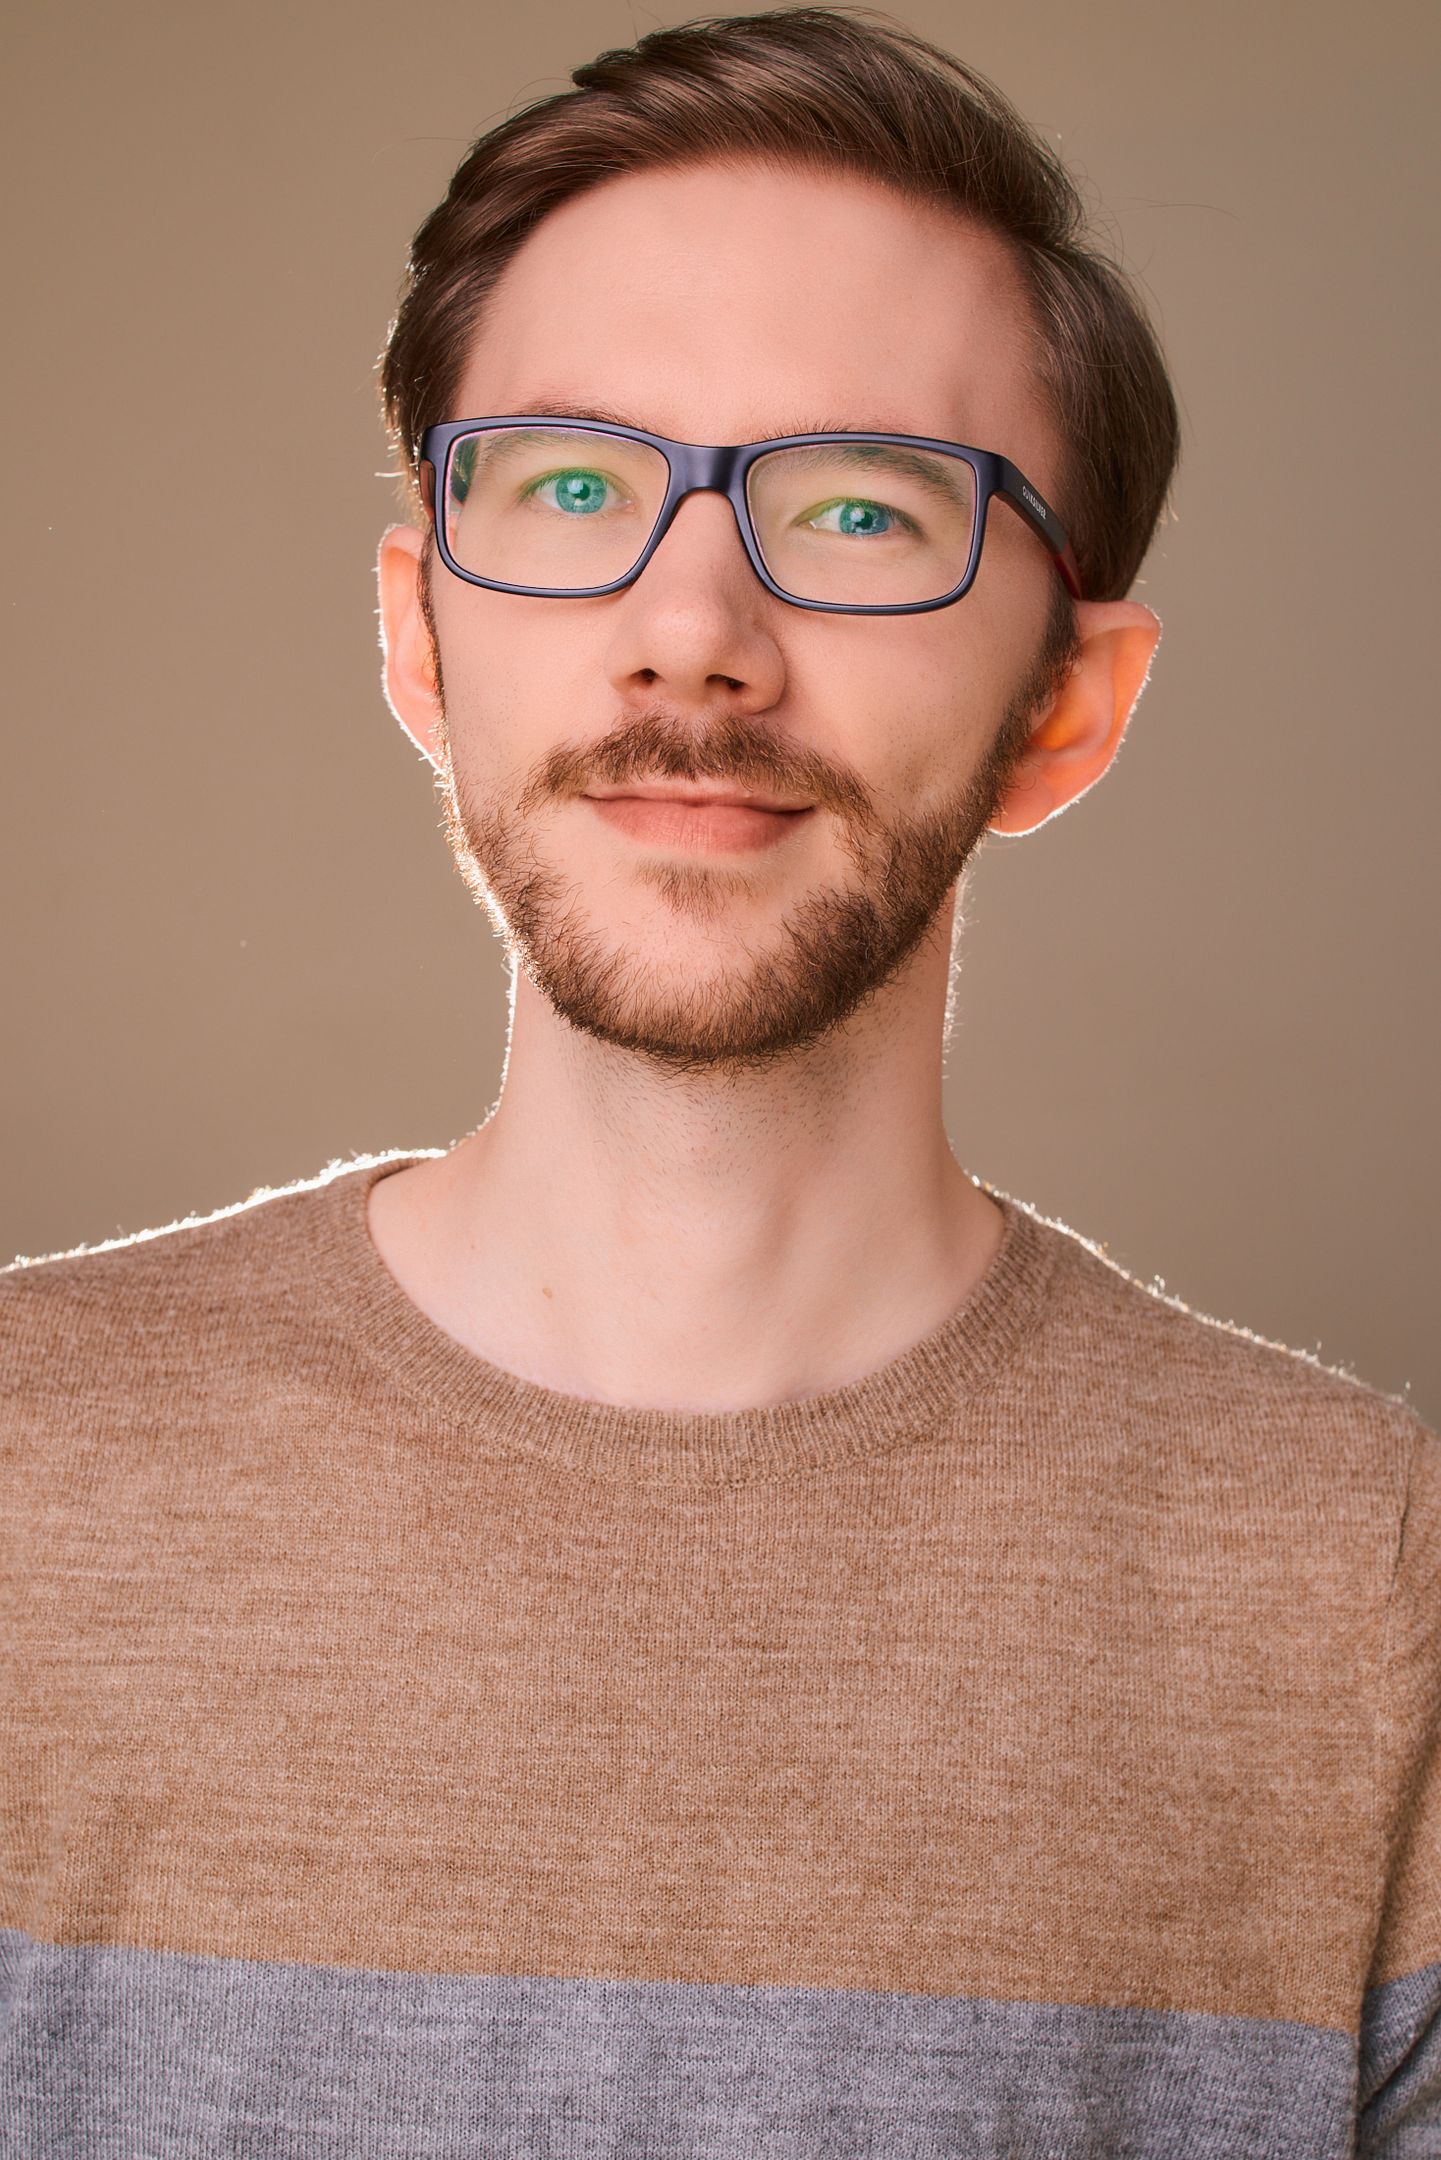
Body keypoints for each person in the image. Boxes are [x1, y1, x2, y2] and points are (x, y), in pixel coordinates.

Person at [2, 9, 1435, 2154]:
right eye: (572, 484)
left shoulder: (1362, 1593)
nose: (692, 633)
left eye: (862, 508)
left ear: (1067, 704)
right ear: (421, 634)